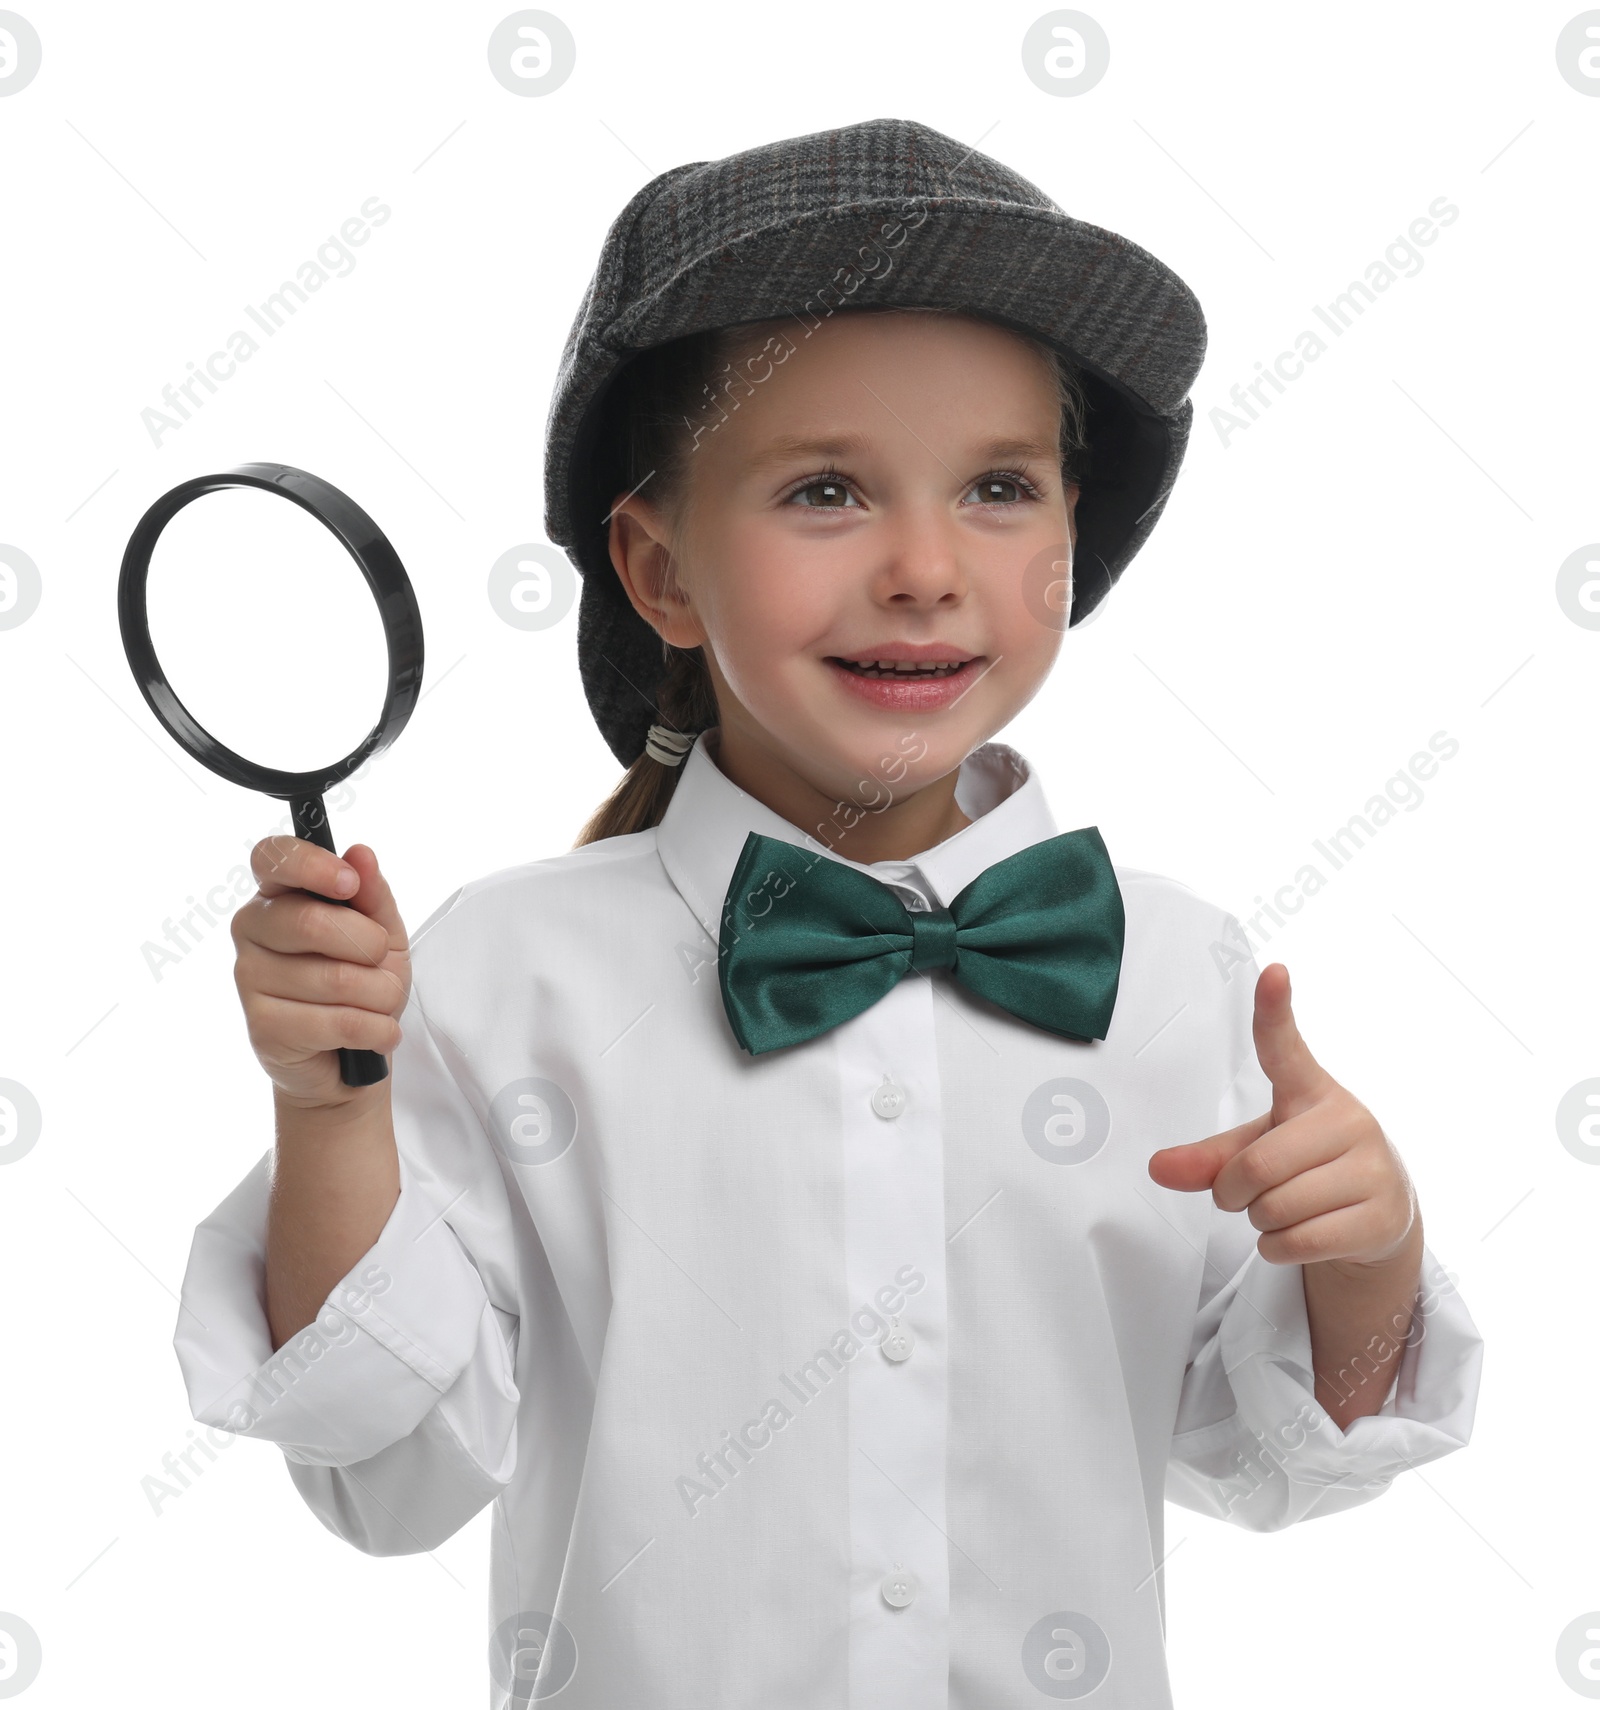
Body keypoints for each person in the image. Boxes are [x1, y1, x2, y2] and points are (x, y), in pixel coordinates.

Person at [175, 117, 1483, 1708]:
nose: (926, 567)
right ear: (660, 570)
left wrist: (1370, 1252)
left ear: (1070, 543)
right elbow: (389, 1465)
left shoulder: (1181, 968)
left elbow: (1274, 1448)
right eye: (823, 491)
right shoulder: (507, 970)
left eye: (998, 487)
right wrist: (331, 1107)